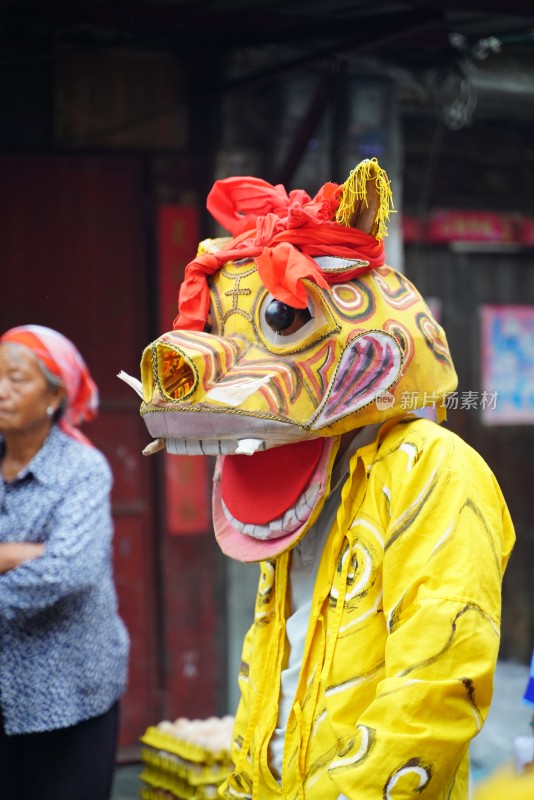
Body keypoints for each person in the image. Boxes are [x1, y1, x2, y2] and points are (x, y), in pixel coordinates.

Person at [124, 158, 516, 798]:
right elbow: (269, 663)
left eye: (278, 320)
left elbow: (437, 687)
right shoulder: (301, 460)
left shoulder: (434, 468)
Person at [0, 324, 129, 800]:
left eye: (16, 379)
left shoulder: (82, 470)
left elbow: (68, 569)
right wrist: (20, 554)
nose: (1, 391)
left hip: (69, 690)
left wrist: (13, 557)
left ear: (54, 396)